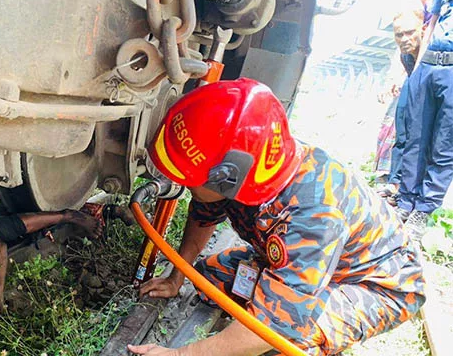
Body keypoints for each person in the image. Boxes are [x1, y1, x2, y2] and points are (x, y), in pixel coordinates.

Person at [127, 79, 425, 356]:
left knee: (289, 336)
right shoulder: (251, 166)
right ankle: (270, 309)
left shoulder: (313, 214)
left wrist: (182, 354)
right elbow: (205, 212)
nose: (184, 184)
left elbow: (270, 329)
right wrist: (178, 275)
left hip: (372, 284)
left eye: (189, 179)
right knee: (210, 277)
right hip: (311, 262)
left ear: (226, 179)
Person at [397, 0, 453, 240]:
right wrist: (417, 71)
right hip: (430, 63)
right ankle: (405, 203)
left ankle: (423, 210)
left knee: (444, 148)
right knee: (414, 140)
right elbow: (432, 20)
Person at [375, 8, 425, 203]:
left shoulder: (432, 53)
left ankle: (409, 190)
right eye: (399, 35)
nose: (404, 38)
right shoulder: (406, 54)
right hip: (411, 86)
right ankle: (394, 183)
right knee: (400, 133)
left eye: (410, 32)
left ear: (423, 28)